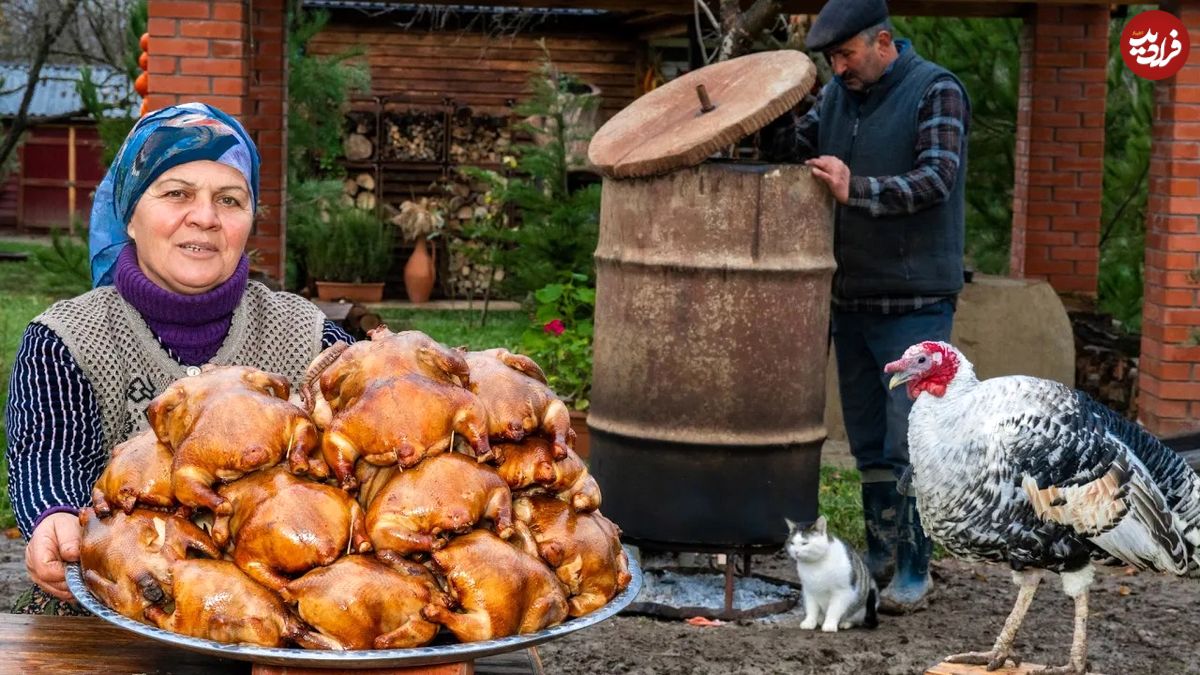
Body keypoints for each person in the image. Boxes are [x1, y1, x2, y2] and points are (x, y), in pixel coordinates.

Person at [5, 102, 354, 614]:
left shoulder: (307, 335)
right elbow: (50, 462)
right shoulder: (64, 340)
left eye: (230, 200)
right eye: (177, 194)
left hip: (280, 615)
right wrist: (55, 520)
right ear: (130, 216)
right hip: (114, 615)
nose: (206, 218)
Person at [764, 0, 970, 614]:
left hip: (915, 300)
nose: (839, 68)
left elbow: (938, 178)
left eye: (846, 55)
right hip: (849, 295)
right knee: (870, 441)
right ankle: (880, 555)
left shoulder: (936, 91)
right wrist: (768, 107)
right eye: (831, 59)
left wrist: (860, 188)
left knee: (911, 440)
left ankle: (914, 567)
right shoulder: (835, 97)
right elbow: (789, 149)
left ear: (883, 41)